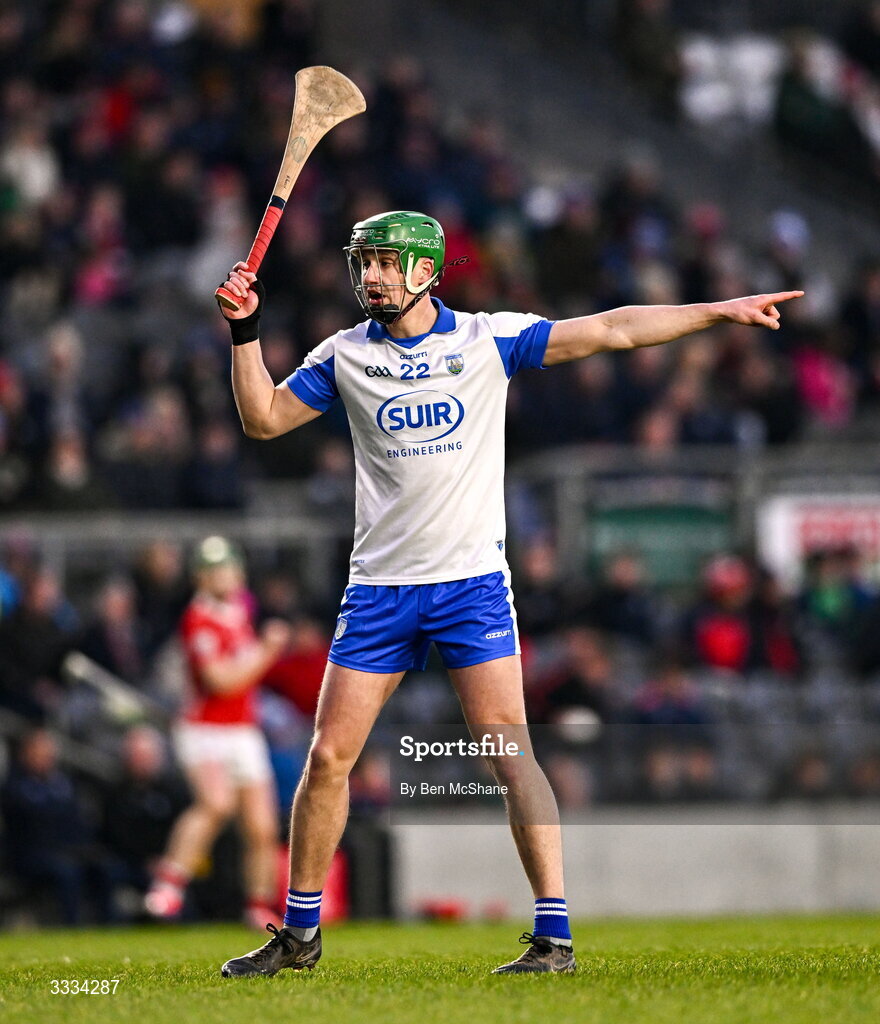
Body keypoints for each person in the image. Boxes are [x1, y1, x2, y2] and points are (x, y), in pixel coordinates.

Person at [215, 209, 802, 977]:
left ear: (427, 270)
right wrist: (245, 333)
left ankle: (554, 938)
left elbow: (613, 330)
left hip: (471, 589)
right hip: (380, 592)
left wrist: (716, 313)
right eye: (365, 263)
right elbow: (262, 419)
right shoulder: (345, 355)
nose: (373, 277)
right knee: (328, 758)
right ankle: (300, 935)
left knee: (508, 752)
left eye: (388, 262)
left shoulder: (486, 339)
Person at [144, 535, 290, 928]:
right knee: (215, 804)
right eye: (214, 570)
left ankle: (259, 905)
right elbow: (220, 681)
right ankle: (170, 881)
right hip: (205, 729)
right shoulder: (198, 619)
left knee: (262, 827)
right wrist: (267, 652)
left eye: (227, 567)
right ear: (200, 577)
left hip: (242, 729)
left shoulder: (237, 612)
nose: (223, 575)